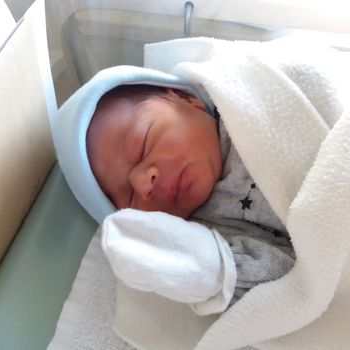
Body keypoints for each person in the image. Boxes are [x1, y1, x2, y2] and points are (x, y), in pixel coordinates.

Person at [85, 82, 295, 314]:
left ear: (186, 99)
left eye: (141, 145)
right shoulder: (210, 233)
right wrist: (213, 269)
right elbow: (287, 278)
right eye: (129, 195)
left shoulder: (246, 101)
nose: (143, 183)